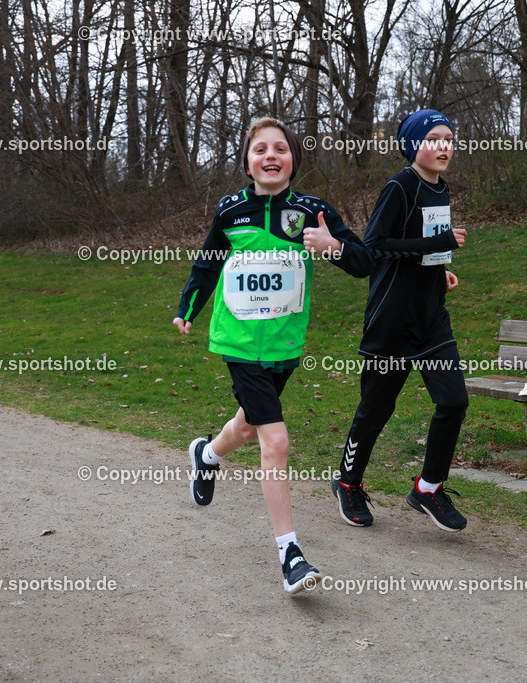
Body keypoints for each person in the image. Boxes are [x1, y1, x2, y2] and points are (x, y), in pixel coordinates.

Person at [174, 117, 373, 594]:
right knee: (276, 442)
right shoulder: (230, 211)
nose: (270, 155)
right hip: (238, 344)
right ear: (247, 162)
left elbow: (365, 263)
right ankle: (291, 555)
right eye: (259, 149)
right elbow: (206, 267)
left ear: (292, 161)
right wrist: (187, 309)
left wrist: (332, 246)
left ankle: (207, 453)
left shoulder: (312, 211)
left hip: (285, 346)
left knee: (247, 428)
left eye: (280, 149)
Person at [330, 109, 469, 532]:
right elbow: (375, 246)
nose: (445, 146)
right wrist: (437, 243)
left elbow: (419, 249)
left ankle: (428, 487)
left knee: (454, 401)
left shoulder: (440, 188)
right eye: (435, 138)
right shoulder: (400, 185)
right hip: (391, 319)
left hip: (430, 318)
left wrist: (437, 267)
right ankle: (347, 483)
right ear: (414, 145)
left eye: (449, 138)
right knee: (376, 409)